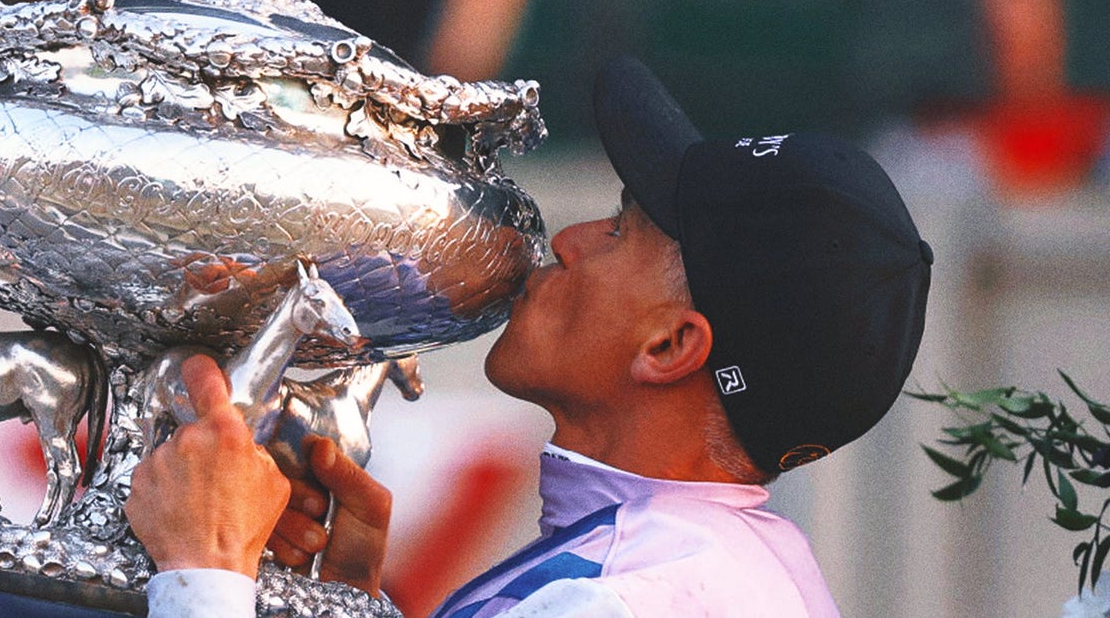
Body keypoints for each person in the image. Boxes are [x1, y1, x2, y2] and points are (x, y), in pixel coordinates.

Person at [124, 58, 934, 617]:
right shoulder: (709, 565)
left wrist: (208, 573)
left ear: (669, 348)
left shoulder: (623, 595)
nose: (572, 239)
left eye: (621, 231)